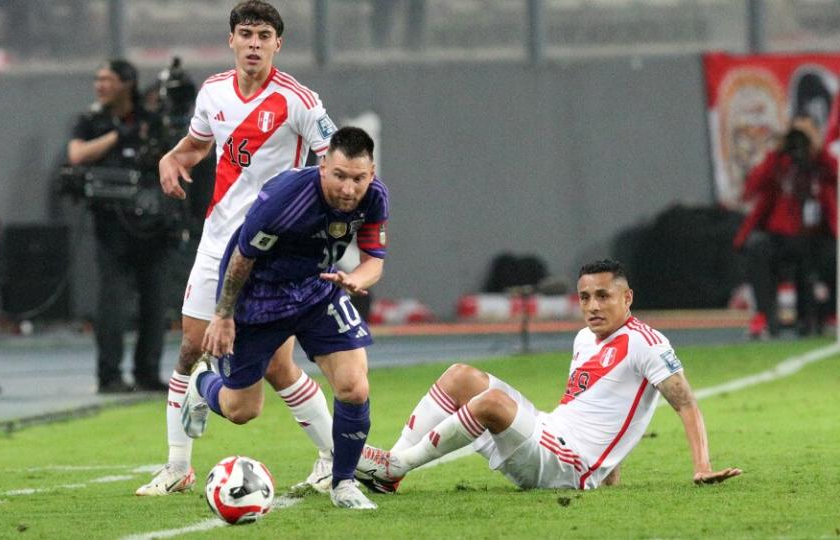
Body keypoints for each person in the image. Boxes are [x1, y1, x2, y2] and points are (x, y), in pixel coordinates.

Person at [141, 1, 341, 497]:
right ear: (231, 40)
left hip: (275, 251)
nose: (254, 43)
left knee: (271, 374)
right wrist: (172, 157)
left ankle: (332, 458)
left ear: (278, 44)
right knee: (189, 346)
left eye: (264, 35)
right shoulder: (212, 92)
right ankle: (177, 466)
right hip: (218, 240)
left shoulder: (300, 102)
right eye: (246, 34)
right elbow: (196, 143)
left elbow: (333, 165)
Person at [355, 259, 741, 493]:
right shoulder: (583, 339)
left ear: (627, 298)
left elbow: (685, 402)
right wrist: (611, 476)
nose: (592, 306)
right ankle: (392, 468)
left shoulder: (647, 343)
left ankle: (398, 465)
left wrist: (702, 466)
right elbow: (598, 407)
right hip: (550, 435)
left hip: (569, 465)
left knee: (490, 403)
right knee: (460, 377)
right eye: (585, 297)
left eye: (603, 296)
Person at [181, 126, 388, 509]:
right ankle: (201, 383)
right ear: (323, 165)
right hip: (259, 300)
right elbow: (241, 256)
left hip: (316, 289)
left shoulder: (373, 198)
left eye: (358, 178)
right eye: (339, 176)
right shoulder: (286, 198)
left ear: (371, 174)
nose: (348, 189)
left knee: (354, 386)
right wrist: (224, 315)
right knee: (241, 410)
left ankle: (342, 482)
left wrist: (355, 280)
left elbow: (374, 258)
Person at [67, 59, 170, 394]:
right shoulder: (90, 120)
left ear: (126, 83)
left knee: (154, 303)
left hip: (153, 227)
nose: (99, 85)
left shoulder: (152, 121)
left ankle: (147, 372)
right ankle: (109, 375)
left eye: (107, 79)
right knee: (111, 303)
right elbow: (78, 155)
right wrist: (116, 136)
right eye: (97, 79)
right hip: (111, 226)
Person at [733, 114, 838, 339]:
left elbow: (835, 174)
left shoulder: (821, 162)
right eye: (796, 132)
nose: (799, 140)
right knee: (758, 247)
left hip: (815, 237)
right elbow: (751, 188)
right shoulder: (779, 162)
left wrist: (817, 150)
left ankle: (828, 314)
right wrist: (778, 152)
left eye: (805, 133)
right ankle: (764, 317)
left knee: (834, 254)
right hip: (782, 237)